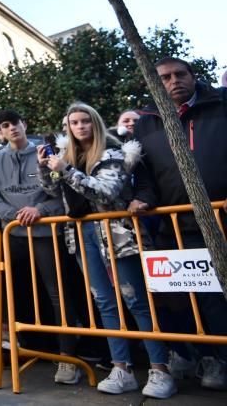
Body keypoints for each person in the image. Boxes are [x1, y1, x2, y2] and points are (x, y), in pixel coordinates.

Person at [38, 103, 175, 399]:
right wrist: (45, 167)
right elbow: (52, 192)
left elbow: (104, 192)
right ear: (68, 127)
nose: (80, 126)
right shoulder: (67, 157)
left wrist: (66, 169)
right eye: (74, 122)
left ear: (95, 123)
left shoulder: (113, 153)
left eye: (85, 120)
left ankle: (160, 369)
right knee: (103, 302)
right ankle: (121, 368)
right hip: (82, 235)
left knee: (136, 300)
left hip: (117, 234)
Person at [131, 56, 227, 390]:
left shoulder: (220, 104)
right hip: (176, 224)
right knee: (193, 298)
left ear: (192, 75)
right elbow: (144, 174)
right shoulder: (146, 121)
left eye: (179, 74)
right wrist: (142, 197)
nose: (173, 81)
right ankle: (213, 358)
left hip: (222, 218)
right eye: (164, 77)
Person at [0, 109, 83, 384]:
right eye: (5, 125)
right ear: (0, 132)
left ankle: (68, 358)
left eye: (15, 123)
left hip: (45, 233)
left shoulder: (47, 151)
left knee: (56, 292)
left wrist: (39, 209)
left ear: (24, 124)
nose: (12, 129)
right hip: (13, 232)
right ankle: (6, 329)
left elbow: (63, 193)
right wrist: (12, 213)